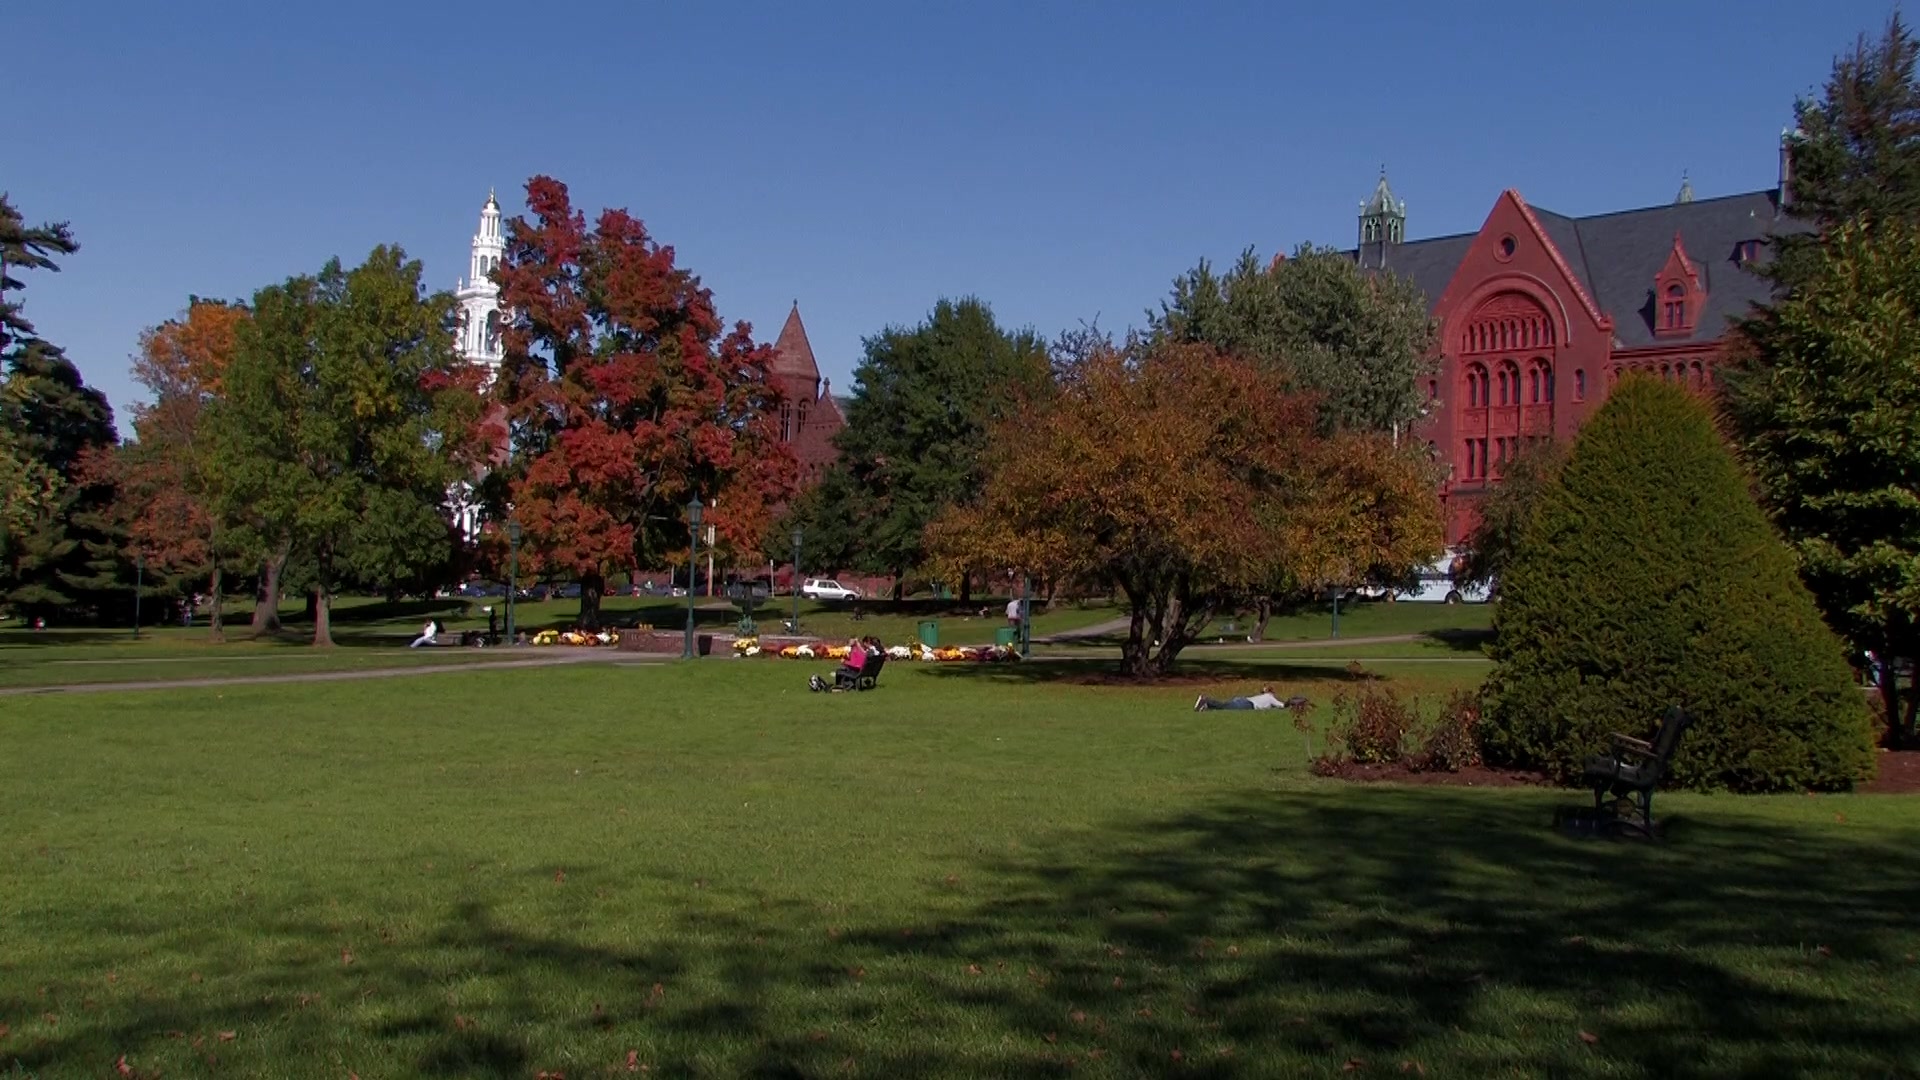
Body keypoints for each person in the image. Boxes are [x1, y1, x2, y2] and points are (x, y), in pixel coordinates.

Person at [1194, 686, 1307, 712]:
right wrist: (1293, 702)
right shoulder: (1270, 697)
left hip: (1243, 700)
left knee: (1225, 706)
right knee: (1225, 707)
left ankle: (1206, 706)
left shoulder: (1263, 696)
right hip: (1247, 705)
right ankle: (1206, 700)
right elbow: (1283, 706)